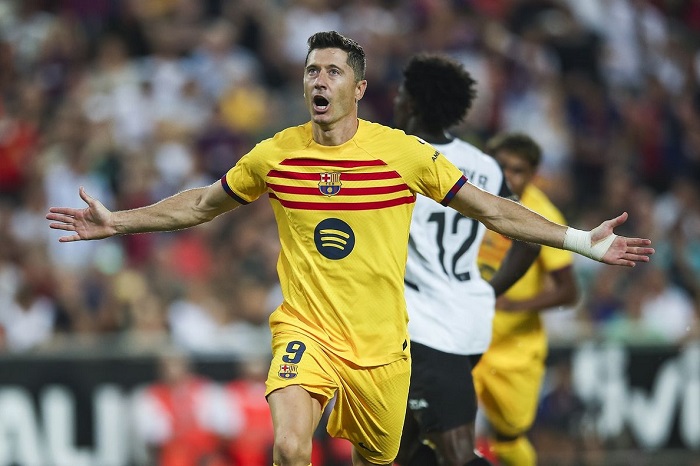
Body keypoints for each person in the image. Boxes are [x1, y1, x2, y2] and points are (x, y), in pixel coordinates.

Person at [46, 31, 654, 466]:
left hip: (383, 348)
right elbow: (203, 204)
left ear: (359, 88)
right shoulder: (276, 153)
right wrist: (119, 222)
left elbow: (493, 209)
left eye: (333, 71)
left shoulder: (403, 154)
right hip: (306, 330)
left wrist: (581, 241)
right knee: (290, 447)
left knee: (381, 458)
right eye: (312, 70)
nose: (319, 79)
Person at [392, 54, 541, 466]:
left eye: (402, 93)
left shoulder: (394, 158)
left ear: (413, 103)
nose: (396, 99)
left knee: (456, 452)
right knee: (398, 449)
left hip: (427, 325)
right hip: (469, 316)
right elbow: (528, 240)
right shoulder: (483, 164)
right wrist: (489, 292)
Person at [474, 133, 580, 466]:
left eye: (517, 170)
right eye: (501, 165)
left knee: (508, 440)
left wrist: (513, 306)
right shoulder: (469, 195)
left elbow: (569, 291)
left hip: (514, 349)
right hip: (464, 336)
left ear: (533, 175)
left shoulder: (543, 216)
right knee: (438, 424)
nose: (507, 176)